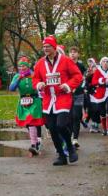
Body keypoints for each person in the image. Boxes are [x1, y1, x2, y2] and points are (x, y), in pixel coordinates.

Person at [33, 35, 82, 165]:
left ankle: (70, 148)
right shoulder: (40, 63)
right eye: (44, 47)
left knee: (61, 125)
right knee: (52, 128)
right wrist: (38, 85)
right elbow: (36, 78)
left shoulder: (66, 61)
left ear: (54, 47)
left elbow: (77, 75)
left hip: (63, 97)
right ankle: (61, 155)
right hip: (48, 99)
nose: (45, 49)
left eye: (48, 46)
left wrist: (68, 85)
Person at [8, 55, 45, 156]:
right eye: (20, 67)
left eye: (23, 66)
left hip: (34, 100)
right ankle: (36, 142)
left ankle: (35, 144)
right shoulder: (17, 76)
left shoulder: (34, 75)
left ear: (28, 66)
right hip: (23, 101)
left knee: (33, 120)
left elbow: (40, 86)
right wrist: (18, 79)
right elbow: (11, 88)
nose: (21, 68)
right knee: (28, 123)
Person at [90, 56, 108, 136]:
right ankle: (104, 129)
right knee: (102, 112)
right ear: (101, 63)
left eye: (107, 61)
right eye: (104, 61)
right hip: (101, 92)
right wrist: (101, 81)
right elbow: (93, 82)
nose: (105, 63)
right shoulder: (98, 71)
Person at [67, 46, 88, 149]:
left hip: (78, 94)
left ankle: (75, 139)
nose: (72, 54)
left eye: (74, 52)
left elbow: (84, 80)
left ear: (78, 54)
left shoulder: (81, 66)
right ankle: (69, 137)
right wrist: (69, 88)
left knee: (76, 116)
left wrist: (77, 87)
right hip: (67, 94)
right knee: (69, 117)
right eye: (71, 52)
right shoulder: (65, 65)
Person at [84, 57, 100, 133]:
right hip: (91, 94)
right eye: (89, 62)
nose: (94, 69)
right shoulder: (88, 74)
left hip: (100, 94)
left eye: (95, 68)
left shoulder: (100, 75)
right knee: (92, 109)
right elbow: (85, 83)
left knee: (97, 109)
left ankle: (96, 123)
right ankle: (93, 124)